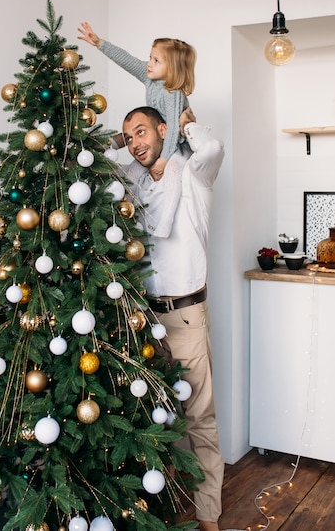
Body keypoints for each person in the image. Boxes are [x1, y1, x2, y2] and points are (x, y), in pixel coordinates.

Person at [120, 107, 240, 531]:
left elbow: (214, 146)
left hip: (186, 315)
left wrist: (187, 122)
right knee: (153, 415)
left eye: (141, 132)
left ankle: (208, 517)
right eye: (128, 137)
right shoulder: (133, 186)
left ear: (163, 130)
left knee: (199, 419)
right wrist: (119, 143)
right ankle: (163, 500)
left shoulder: (193, 174)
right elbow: (97, 163)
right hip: (141, 319)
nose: (135, 143)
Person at [78, 22, 196, 180]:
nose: (149, 63)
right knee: (135, 169)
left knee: (172, 173)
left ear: (172, 68)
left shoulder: (172, 93)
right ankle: (99, 152)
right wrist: (100, 43)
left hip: (175, 147)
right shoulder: (150, 78)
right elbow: (127, 60)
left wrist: (164, 160)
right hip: (157, 138)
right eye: (150, 58)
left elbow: (174, 129)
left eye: (156, 61)